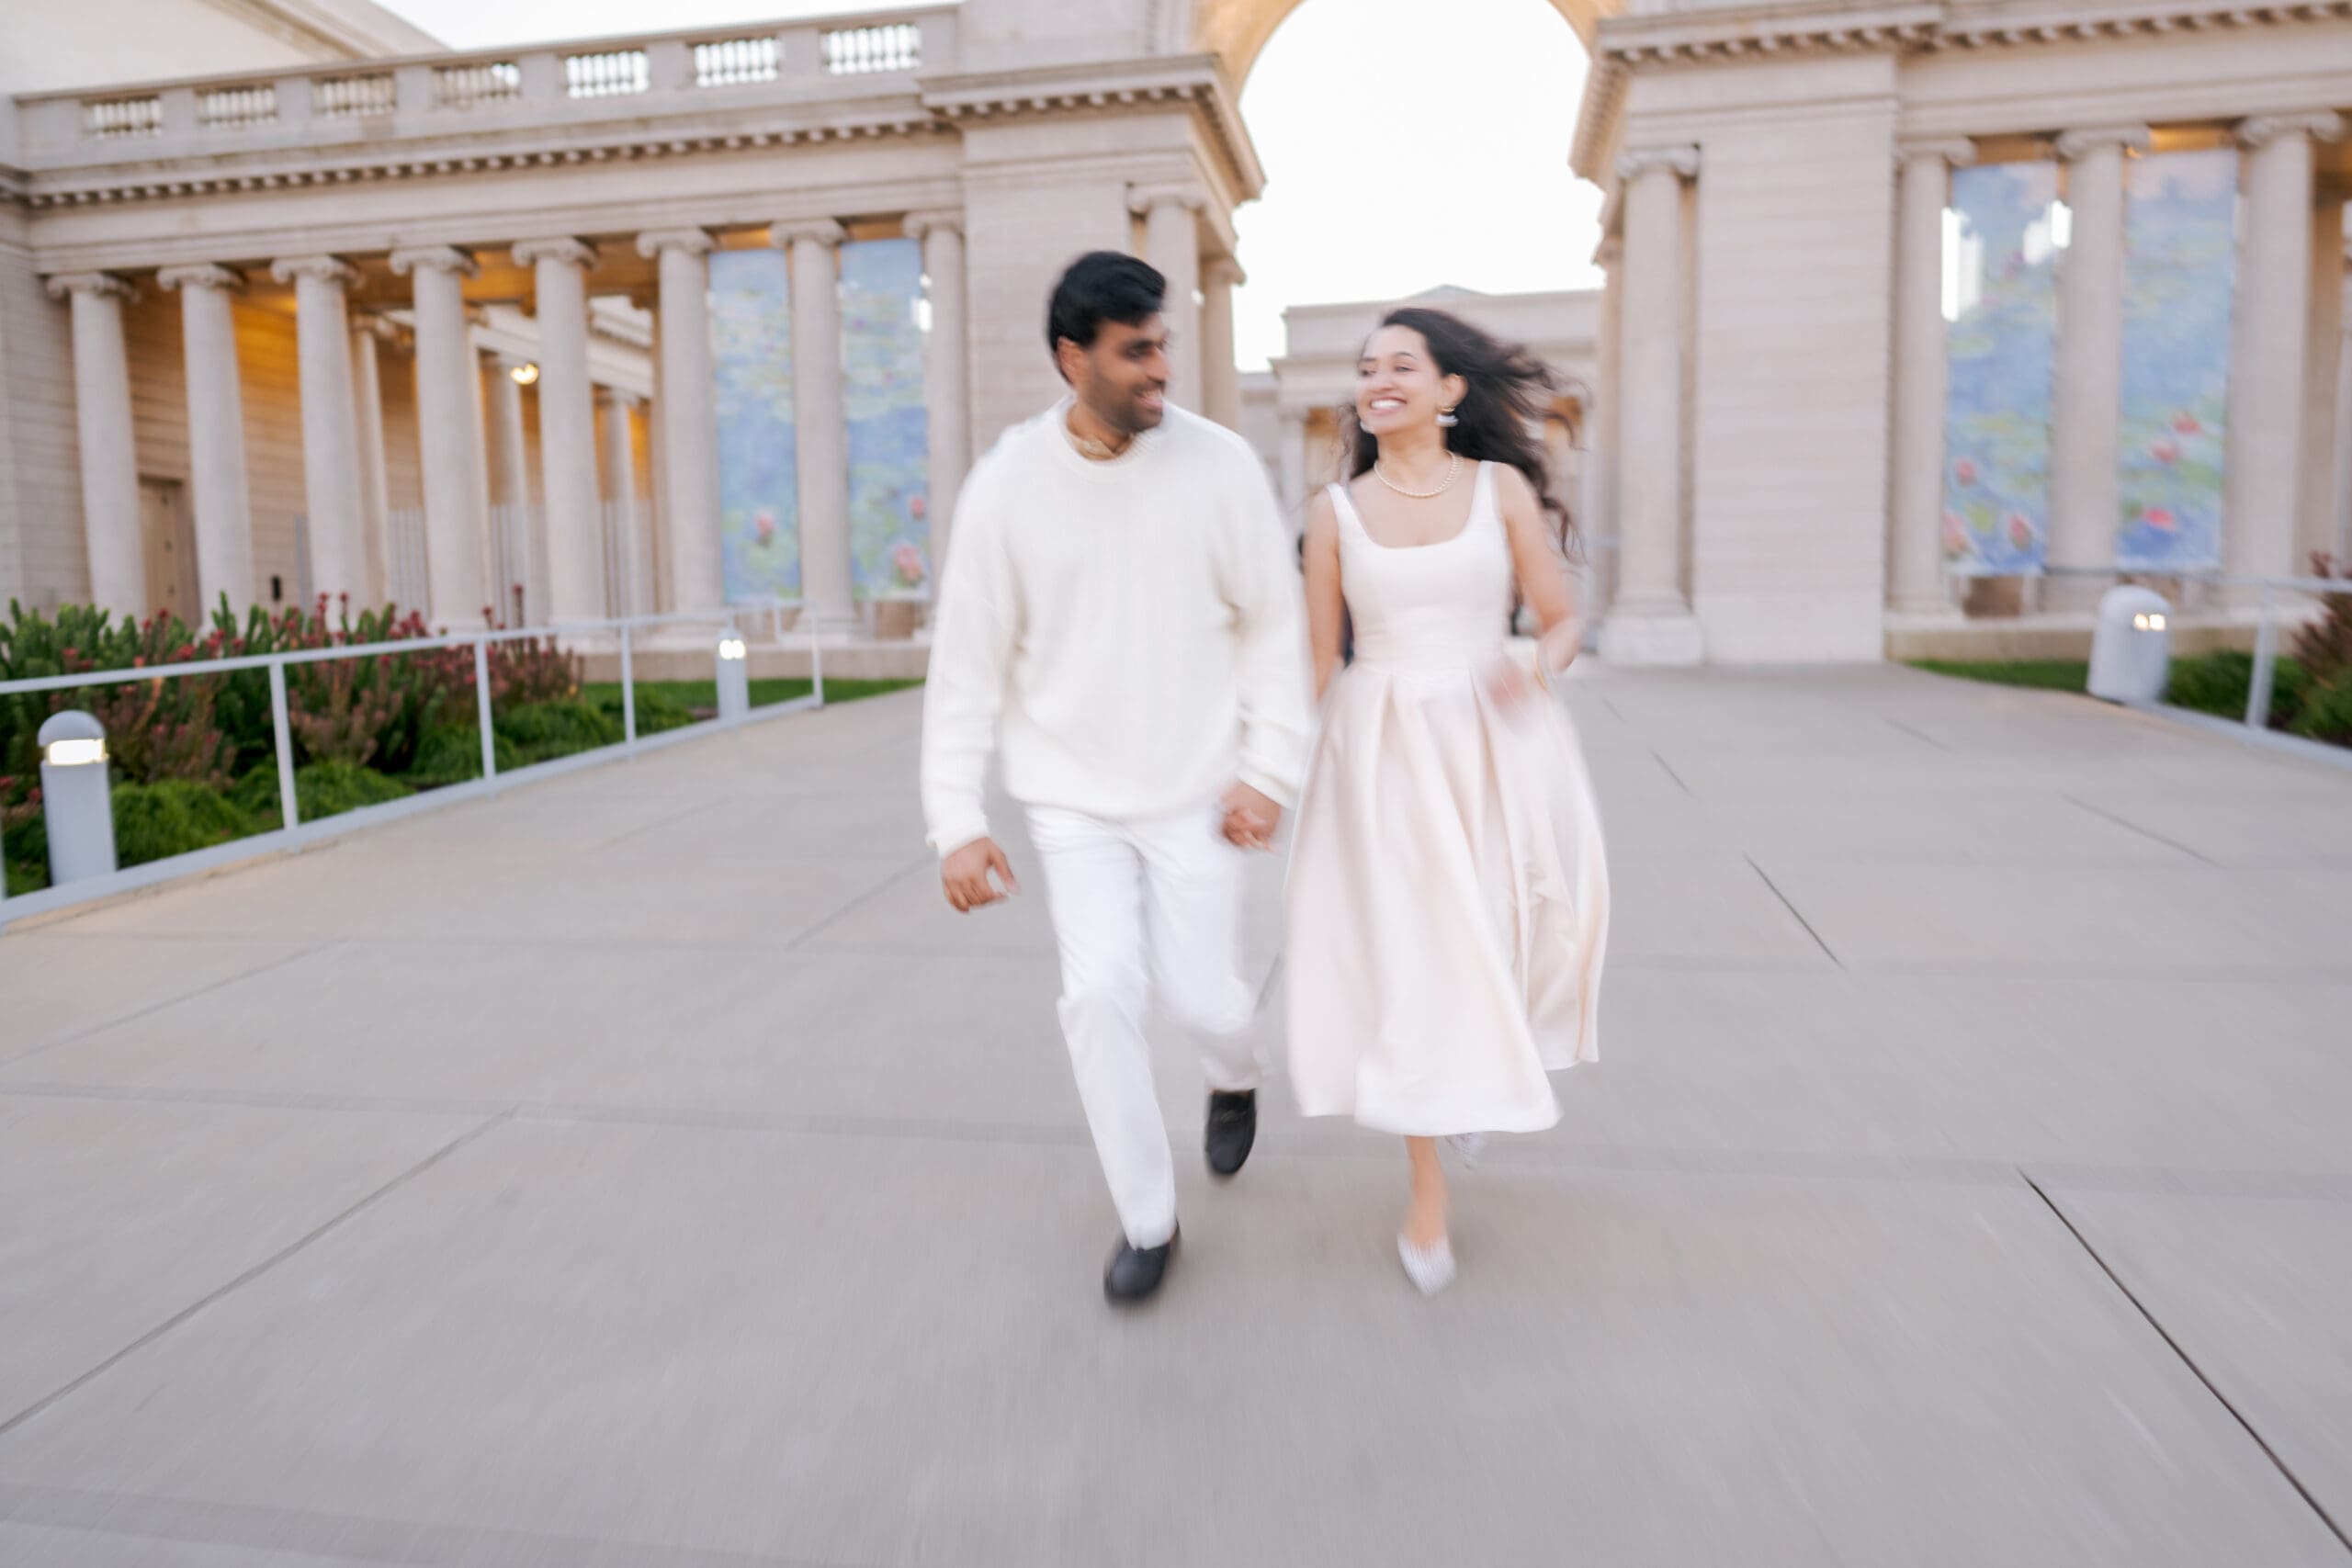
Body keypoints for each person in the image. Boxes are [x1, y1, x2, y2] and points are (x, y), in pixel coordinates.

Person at [921, 252, 1312, 1305]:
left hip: (1196, 788)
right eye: (1136, 351)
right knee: (1097, 996)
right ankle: (1148, 1218)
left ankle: (1235, 1075)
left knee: (1206, 998)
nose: (1160, 370)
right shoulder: (1004, 488)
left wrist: (1269, 770)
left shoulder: (1220, 465)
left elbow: (1274, 630)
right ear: (1071, 358)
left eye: (1163, 345)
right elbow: (964, 668)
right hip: (1071, 801)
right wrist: (955, 821)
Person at [1284, 307, 1611, 1295]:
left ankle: (1475, 1073)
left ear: (1448, 391)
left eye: (1400, 364)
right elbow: (1315, 656)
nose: (1377, 378)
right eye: (1365, 366)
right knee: (1413, 960)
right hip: (1381, 750)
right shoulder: (1330, 513)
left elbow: (1560, 623)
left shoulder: (1500, 489)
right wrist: (1264, 768)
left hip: (1495, 740)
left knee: (1511, 937)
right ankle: (1425, 1189)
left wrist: (1528, 668)